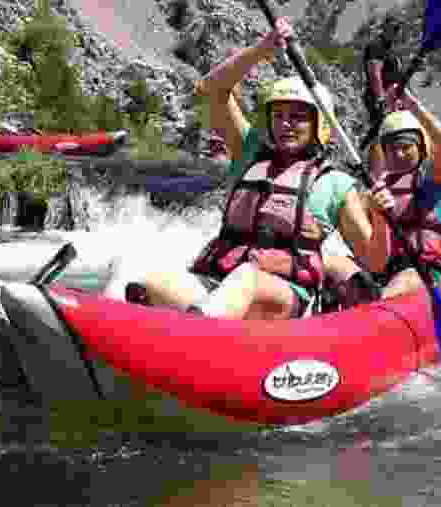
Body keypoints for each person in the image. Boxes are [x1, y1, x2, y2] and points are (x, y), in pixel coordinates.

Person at [124, 17, 375, 320]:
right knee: (139, 278)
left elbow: (373, 257)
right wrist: (261, 50)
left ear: (319, 124)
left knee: (247, 279)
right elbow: (211, 91)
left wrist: (384, 220)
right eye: (279, 115)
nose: (286, 124)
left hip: (282, 298)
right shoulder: (250, 154)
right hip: (220, 288)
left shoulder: (336, 184)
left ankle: (194, 340)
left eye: (298, 117)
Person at [321, 83, 441, 311]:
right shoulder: (377, 191)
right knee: (331, 266)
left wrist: (412, 105)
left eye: (406, 147)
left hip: (427, 269)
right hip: (385, 269)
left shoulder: (432, 183)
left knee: (406, 278)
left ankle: (373, 313)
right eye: (391, 149)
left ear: (422, 149)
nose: (398, 154)